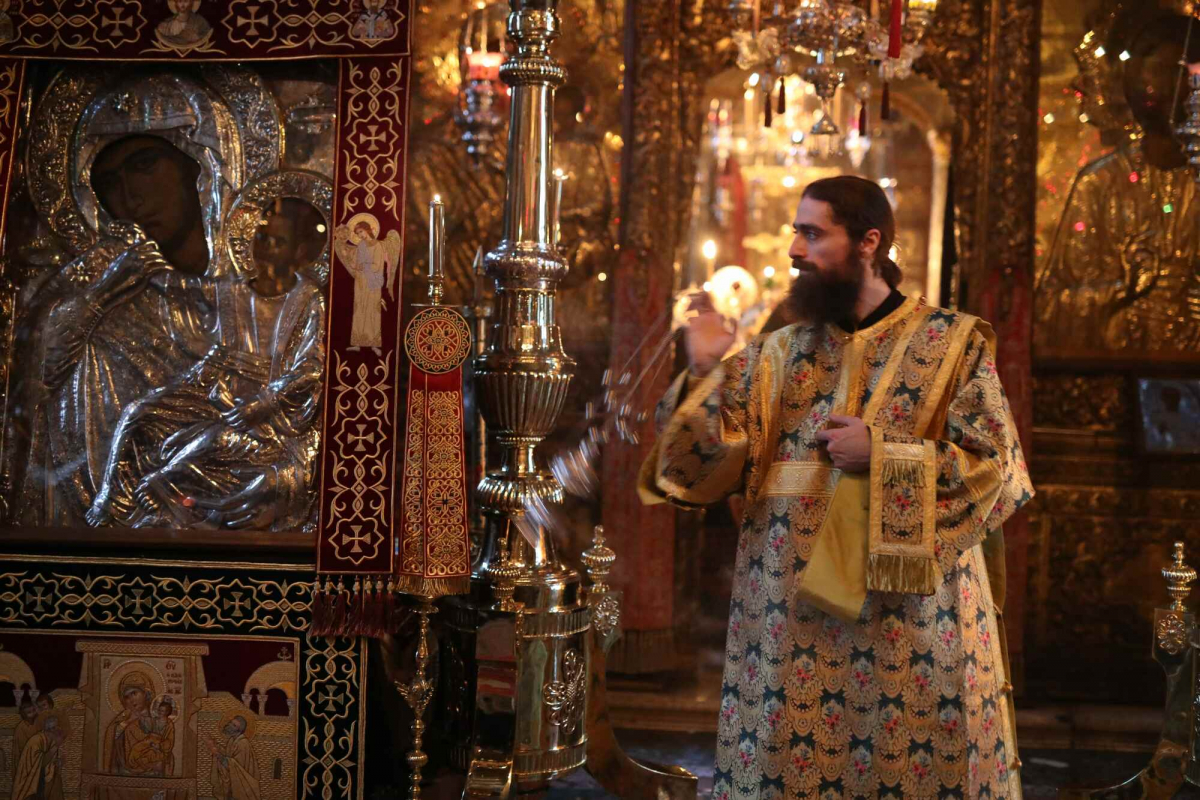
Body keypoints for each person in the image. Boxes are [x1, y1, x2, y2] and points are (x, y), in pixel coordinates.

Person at [641, 176, 1032, 798]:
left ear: (868, 242)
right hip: (789, 622)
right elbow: (692, 464)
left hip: (909, 627)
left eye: (812, 233)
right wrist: (705, 370)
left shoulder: (952, 343)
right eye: (796, 232)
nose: (794, 249)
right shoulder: (774, 354)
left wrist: (885, 452)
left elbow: (999, 470)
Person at [1036, 12, 1200, 356]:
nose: (1180, 90)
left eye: (1189, 76)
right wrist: (1125, 287)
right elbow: (1051, 310)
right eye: (1167, 73)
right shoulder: (1101, 185)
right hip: (1115, 370)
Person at [11, 714, 65, 800]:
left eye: (58, 727)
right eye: (55, 728)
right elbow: (41, 763)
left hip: (42, 779)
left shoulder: (51, 740)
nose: (58, 729)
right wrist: (56, 746)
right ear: (48, 730)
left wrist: (57, 762)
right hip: (30, 780)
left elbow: (50, 763)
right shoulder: (36, 740)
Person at [208, 715, 260, 800]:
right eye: (230, 723)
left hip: (243, 785)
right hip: (233, 784)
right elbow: (227, 754)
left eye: (234, 725)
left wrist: (217, 754)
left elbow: (235, 767)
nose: (230, 726)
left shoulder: (243, 744)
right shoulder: (232, 740)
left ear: (239, 730)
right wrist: (216, 745)